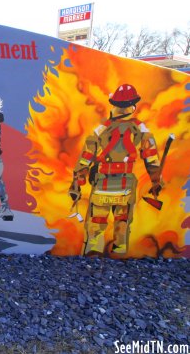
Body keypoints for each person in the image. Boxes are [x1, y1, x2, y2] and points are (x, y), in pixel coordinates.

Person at [69, 84, 162, 256]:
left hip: (102, 182)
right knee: (123, 221)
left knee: (97, 221)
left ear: (115, 105)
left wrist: (77, 182)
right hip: (126, 183)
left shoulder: (101, 129)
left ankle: (93, 252)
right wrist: (156, 181)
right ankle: (120, 252)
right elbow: (151, 157)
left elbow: (85, 157)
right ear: (132, 106)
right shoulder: (142, 129)